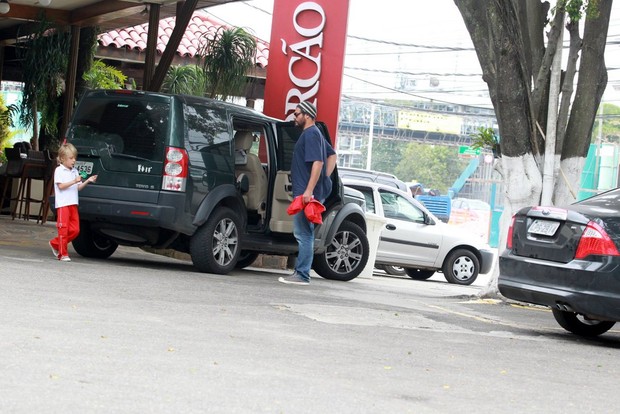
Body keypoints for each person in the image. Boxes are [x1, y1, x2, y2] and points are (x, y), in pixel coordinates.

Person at [279, 101, 336, 286]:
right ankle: (301, 273)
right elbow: (332, 155)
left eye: (297, 114)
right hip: (307, 191)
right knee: (305, 233)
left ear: (308, 115)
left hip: (306, 193)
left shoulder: (311, 134)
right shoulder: (315, 134)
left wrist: (310, 190)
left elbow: (318, 162)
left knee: (303, 234)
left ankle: (302, 274)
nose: (294, 117)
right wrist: (324, 180)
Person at [48, 143, 97, 262]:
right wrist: (74, 180)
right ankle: (62, 253)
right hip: (63, 204)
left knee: (75, 230)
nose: (74, 160)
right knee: (63, 229)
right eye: (71, 158)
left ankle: (55, 243)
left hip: (73, 203)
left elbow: (78, 187)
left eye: (74, 158)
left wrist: (87, 181)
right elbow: (61, 186)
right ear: (63, 158)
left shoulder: (74, 171)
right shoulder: (59, 170)